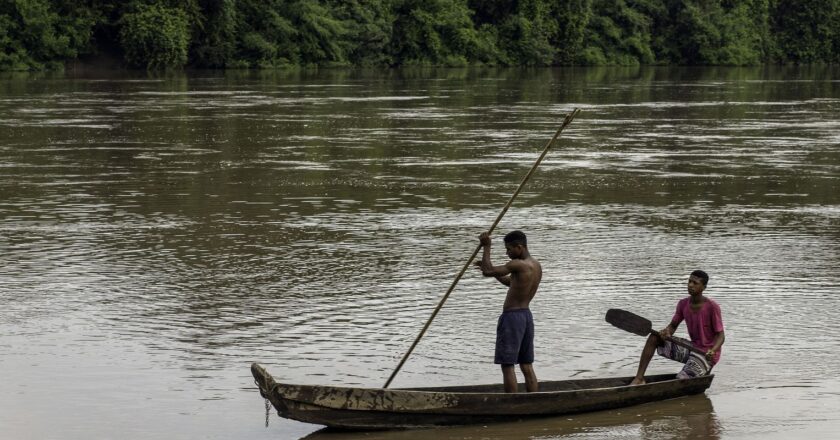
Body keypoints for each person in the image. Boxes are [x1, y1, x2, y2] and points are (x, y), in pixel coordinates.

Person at [629, 270, 725, 385]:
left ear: (704, 287)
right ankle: (639, 378)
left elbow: (721, 336)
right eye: (689, 281)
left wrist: (713, 350)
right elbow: (673, 326)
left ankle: (702, 367)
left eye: (695, 283)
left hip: (706, 354)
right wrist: (666, 332)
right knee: (654, 338)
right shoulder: (683, 304)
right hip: (692, 347)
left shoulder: (712, 307)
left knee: (681, 379)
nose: (690, 285)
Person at [476, 230, 542, 393]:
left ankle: (512, 403)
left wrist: (486, 246)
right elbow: (510, 283)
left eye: (509, 249)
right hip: (526, 317)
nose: (507, 253)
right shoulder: (536, 265)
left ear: (519, 247)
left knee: (507, 364)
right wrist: (487, 268)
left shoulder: (517, 264)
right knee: (526, 364)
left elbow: (488, 270)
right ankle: (534, 401)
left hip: (512, 318)